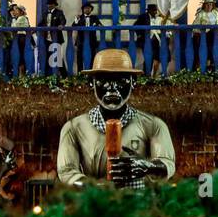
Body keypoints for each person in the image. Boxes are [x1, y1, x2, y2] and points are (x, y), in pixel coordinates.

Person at [55, 49, 176, 189]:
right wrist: (96, 188)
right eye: (103, 80)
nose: (112, 87)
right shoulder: (73, 128)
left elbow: (168, 163)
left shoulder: (154, 125)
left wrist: (148, 166)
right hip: (96, 205)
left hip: (139, 205)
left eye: (121, 80)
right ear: (91, 83)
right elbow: (66, 172)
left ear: (133, 83)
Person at [131, 3, 166, 74]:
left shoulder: (157, 18)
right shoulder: (143, 17)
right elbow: (135, 25)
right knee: (148, 56)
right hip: (144, 40)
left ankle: (148, 73)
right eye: (154, 11)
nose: (155, 12)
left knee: (153, 57)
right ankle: (146, 73)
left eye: (156, 10)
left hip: (154, 42)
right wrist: (139, 34)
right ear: (149, 11)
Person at [192, 0, 218, 71]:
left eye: (210, 4)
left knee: (215, 34)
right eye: (207, 4)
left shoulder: (215, 13)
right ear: (204, 5)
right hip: (204, 36)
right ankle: (208, 62)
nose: (209, 6)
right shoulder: (201, 14)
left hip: (214, 36)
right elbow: (195, 27)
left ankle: (213, 63)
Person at [38, 0, 68, 76]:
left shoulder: (59, 12)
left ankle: (64, 75)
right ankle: (48, 76)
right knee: (48, 57)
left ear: (54, 5)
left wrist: (61, 25)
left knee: (57, 57)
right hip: (47, 38)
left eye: (51, 4)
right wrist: (35, 29)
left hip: (56, 38)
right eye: (48, 4)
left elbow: (63, 20)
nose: (49, 5)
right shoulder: (45, 13)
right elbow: (41, 23)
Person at [72, 2, 103, 72]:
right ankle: (80, 74)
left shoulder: (94, 18)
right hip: (81, 41)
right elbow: (73, 26)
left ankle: (91, 74)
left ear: (91, 10)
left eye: (88, 8)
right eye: (85, 8)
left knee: (92, 57)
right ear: (83, 10)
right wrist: (76, 20)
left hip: (92, 41)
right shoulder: (79, 17)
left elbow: (101, 26)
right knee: (79, 58)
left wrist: (98, 25)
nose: (87, 10)